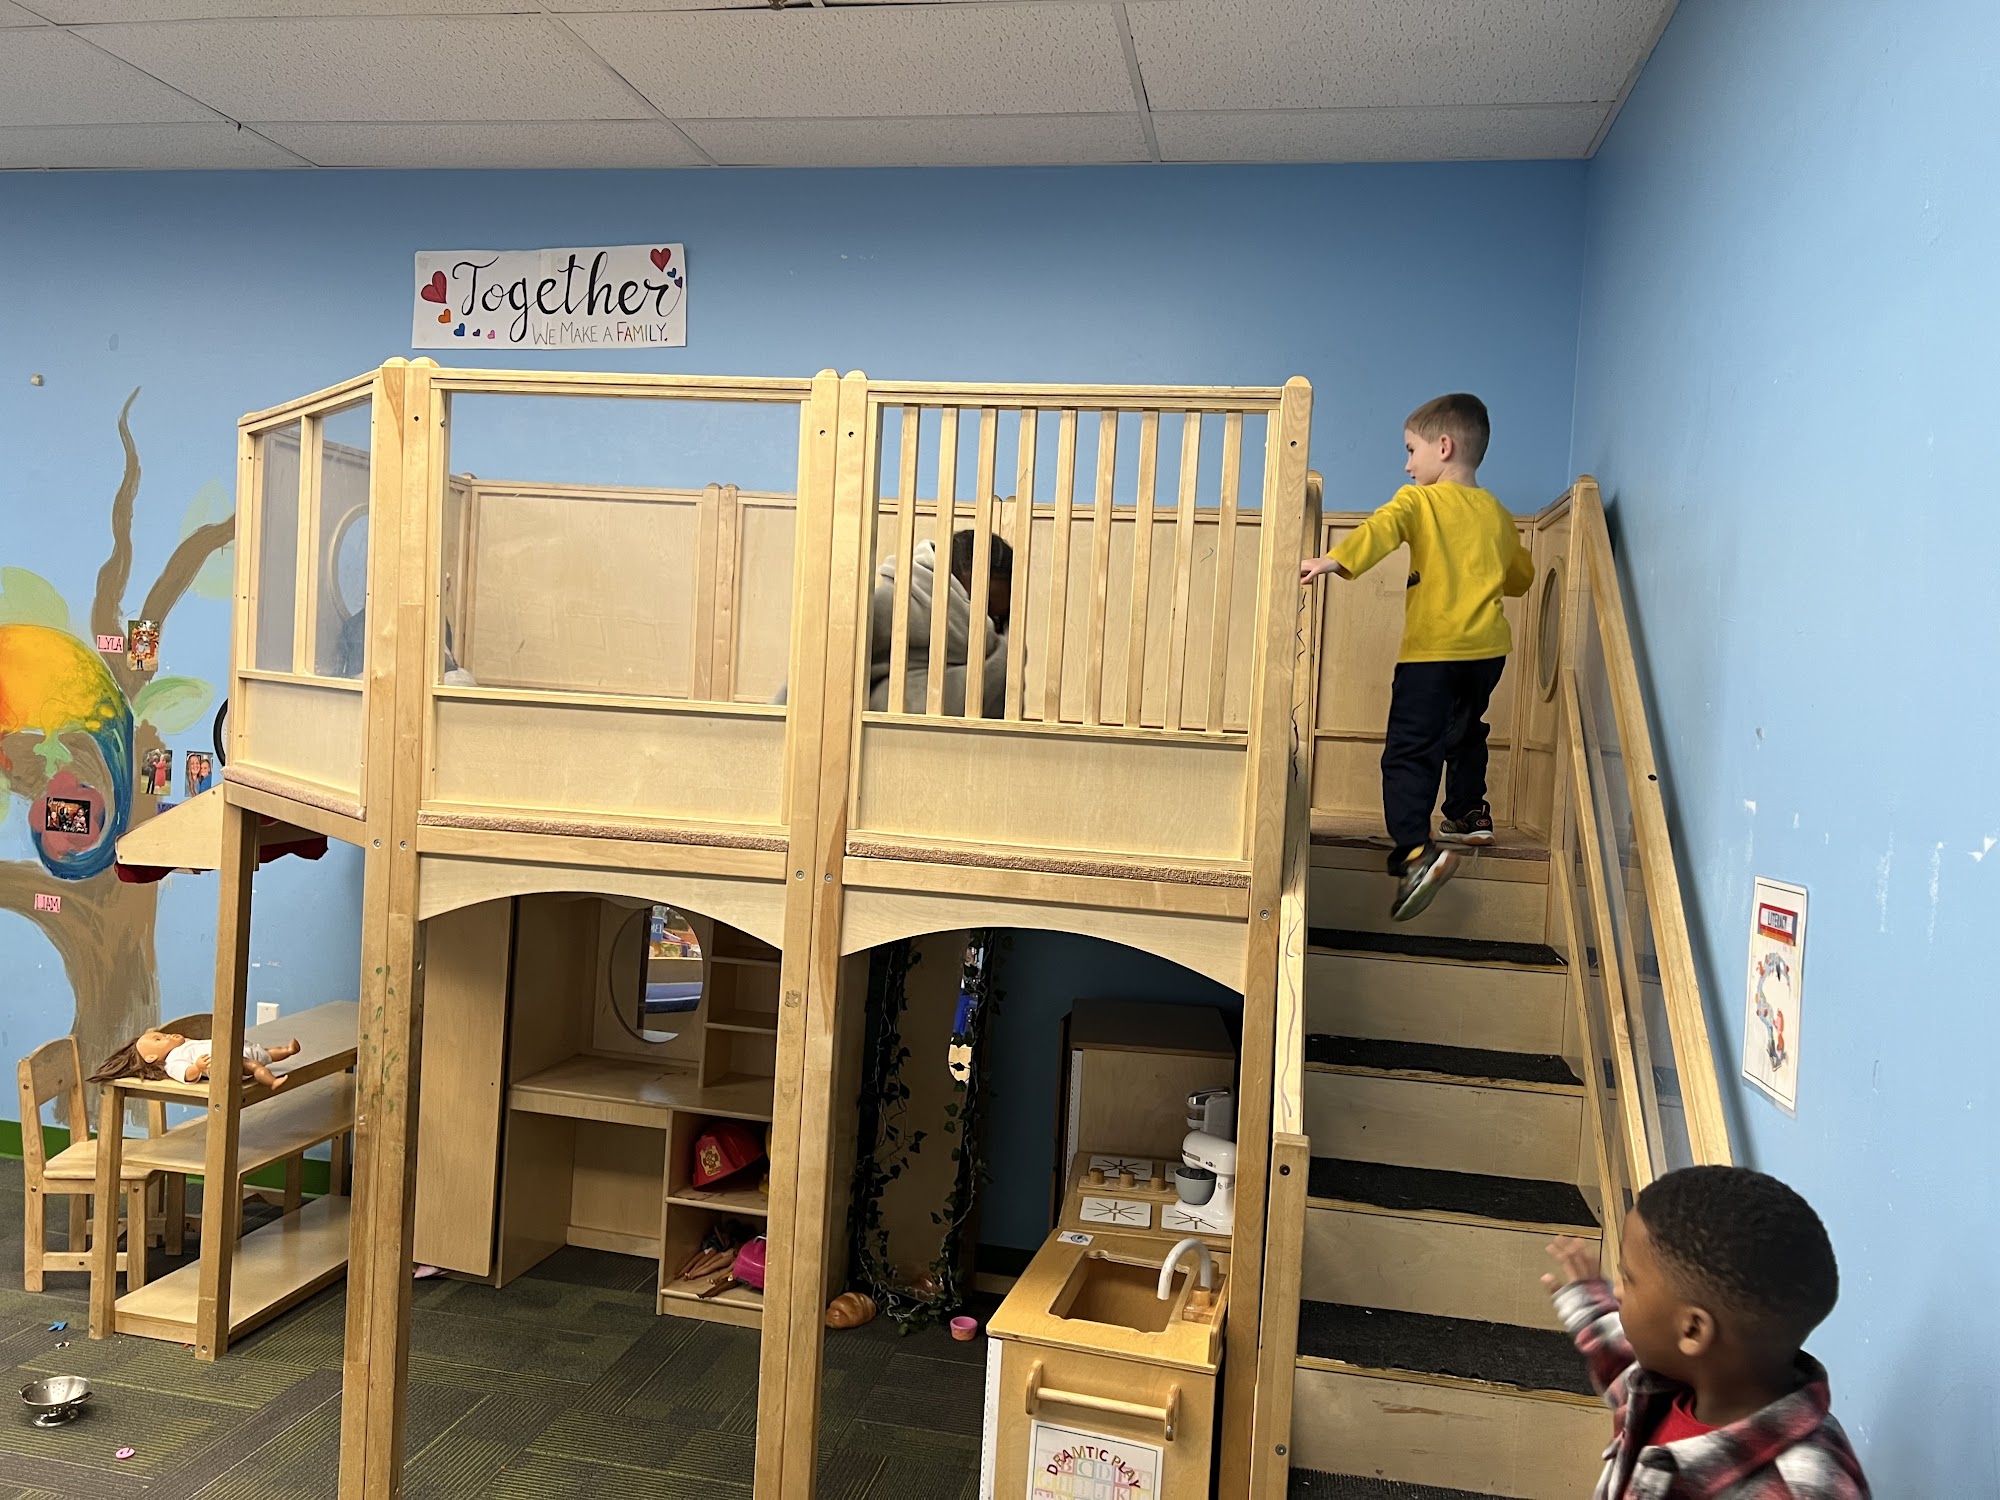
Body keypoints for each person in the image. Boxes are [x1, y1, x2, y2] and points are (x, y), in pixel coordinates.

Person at [1300, 394, 1532, 920]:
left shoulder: (1418, 502)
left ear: (1443, 447)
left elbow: (1380, 530)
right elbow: (1521, 577)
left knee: (1411, 750)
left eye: (1411, 450)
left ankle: (1415, 855)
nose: (1407, 465)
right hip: (1487, 653)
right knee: (1465, 729)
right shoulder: (1498, 515)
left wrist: (1333, 560)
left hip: (1432, 653)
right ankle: (1469, 813)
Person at [1542, 1166, 1869, 1499]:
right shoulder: (1671, 1386)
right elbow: (1624, 1364)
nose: (1618, 1292)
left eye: (1629, 1279)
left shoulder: (1805, 1488)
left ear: (1693, 1330)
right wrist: (1591, 1306)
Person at [775, 529, 1013, 717]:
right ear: (951, 581)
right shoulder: (884, 607)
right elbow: (808, 685)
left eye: (998, 618)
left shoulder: (1000, 655)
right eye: (982, 605)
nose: (989, 624)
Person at [90, 1026, 302, 1091]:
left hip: (237, 1050)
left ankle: (288, 1050)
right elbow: (187, 1075)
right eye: (159, 1039)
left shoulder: (184, 1045)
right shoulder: (173, 1061)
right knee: (254, 1065)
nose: (166, 1036)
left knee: (267, 1052)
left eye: (163, 1034)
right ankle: (272, 1082)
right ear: (152, 1057)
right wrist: (197, 1068)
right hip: (228, 1064)